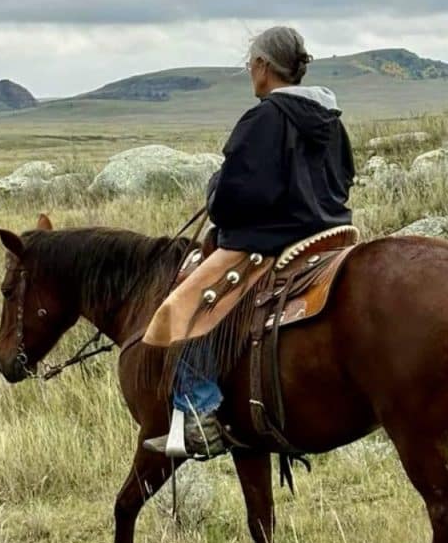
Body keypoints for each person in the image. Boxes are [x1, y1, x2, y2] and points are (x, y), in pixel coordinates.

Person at [143, 26, 355, 458]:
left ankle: (199, 415)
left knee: (190, 305)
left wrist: (215, 194)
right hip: (328, 234)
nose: (249, 73)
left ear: (262, 66)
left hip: (271, 241)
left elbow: (235, 199)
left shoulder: (264, 118)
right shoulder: (330, 119)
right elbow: (344, 178)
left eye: (250, 64)